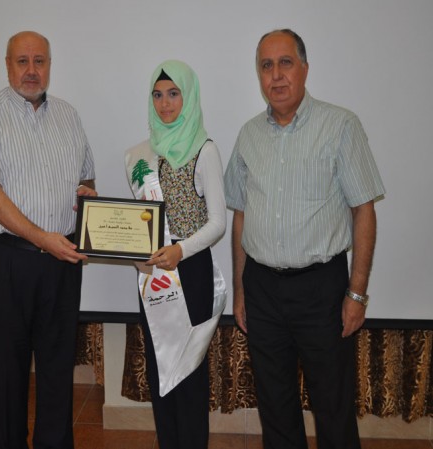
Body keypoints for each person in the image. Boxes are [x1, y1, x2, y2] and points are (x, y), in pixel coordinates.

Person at [224, 29, 385, 449]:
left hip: (321, 290)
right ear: (258, 75)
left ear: (305, 68)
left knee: (333, 406)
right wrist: (240, 290)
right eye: (266, 66)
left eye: (286, 63)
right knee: (275, 408)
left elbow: (364, 210)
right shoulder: (248, 135)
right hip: (261, 288)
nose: (276, 75)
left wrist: (357, 293)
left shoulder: (340, 125)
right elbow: (240, 215)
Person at [0, 31, 96, 449]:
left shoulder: (69, 116)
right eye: (23, 61)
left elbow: (86, 178)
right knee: (6, 372)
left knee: (57, 367)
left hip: (61, 263)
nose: (32, 70)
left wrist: (87, 194)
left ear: (50, 65)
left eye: (40, 61)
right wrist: (43, 239)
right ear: (8, 66)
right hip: (7, 261)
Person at [125, 60, 226, 449]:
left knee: (189, 371)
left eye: (173, 94)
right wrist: (135, 252)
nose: (165, 103)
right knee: (159, 368)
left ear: (189, 97)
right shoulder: (142, 155)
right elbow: (141, 221)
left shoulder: (205, 150)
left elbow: (217, 223)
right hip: (153, 273)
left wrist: (180, 250)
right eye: (157, 95)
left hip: (191, 270)